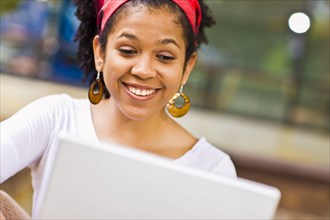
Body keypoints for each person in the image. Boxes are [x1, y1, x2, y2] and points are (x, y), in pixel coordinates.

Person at [0, 0, 236, 217]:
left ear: (187, 67)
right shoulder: (57, 119)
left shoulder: (212, 168)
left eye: (164, 56)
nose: (143, 70)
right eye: (127, 50)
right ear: (100, 53)